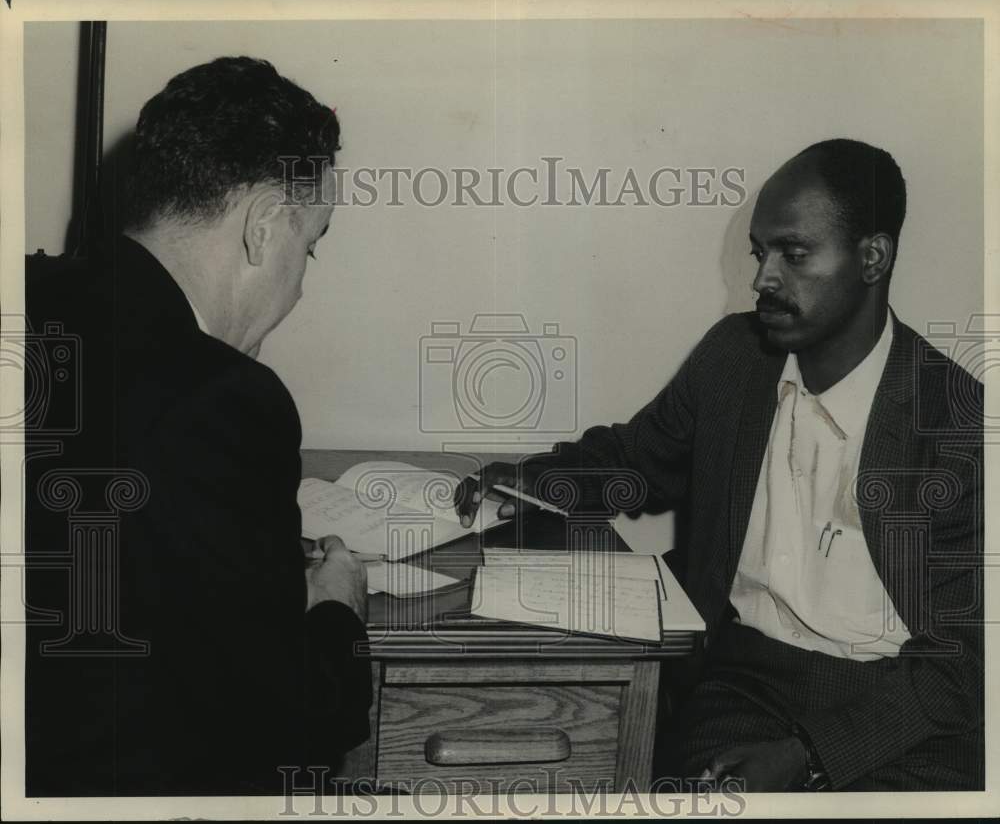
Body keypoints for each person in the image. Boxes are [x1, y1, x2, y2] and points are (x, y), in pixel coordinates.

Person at [455, 139, 984, 791]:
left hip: (900, 712)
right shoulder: (736, 356)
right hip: (745, 683)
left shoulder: (955, 422)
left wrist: (809, 755)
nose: (763, 279)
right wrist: (534, 479)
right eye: (761, 253)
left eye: (794, 254)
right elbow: (637, 461)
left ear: (872, 257)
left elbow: (961, 663)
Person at [25, 57, 371, 796]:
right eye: (309, 245)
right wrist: (336, 607)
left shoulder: (27, 298)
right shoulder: (225, 400)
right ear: (264, 227)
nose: (299, 285)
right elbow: (297, 724)